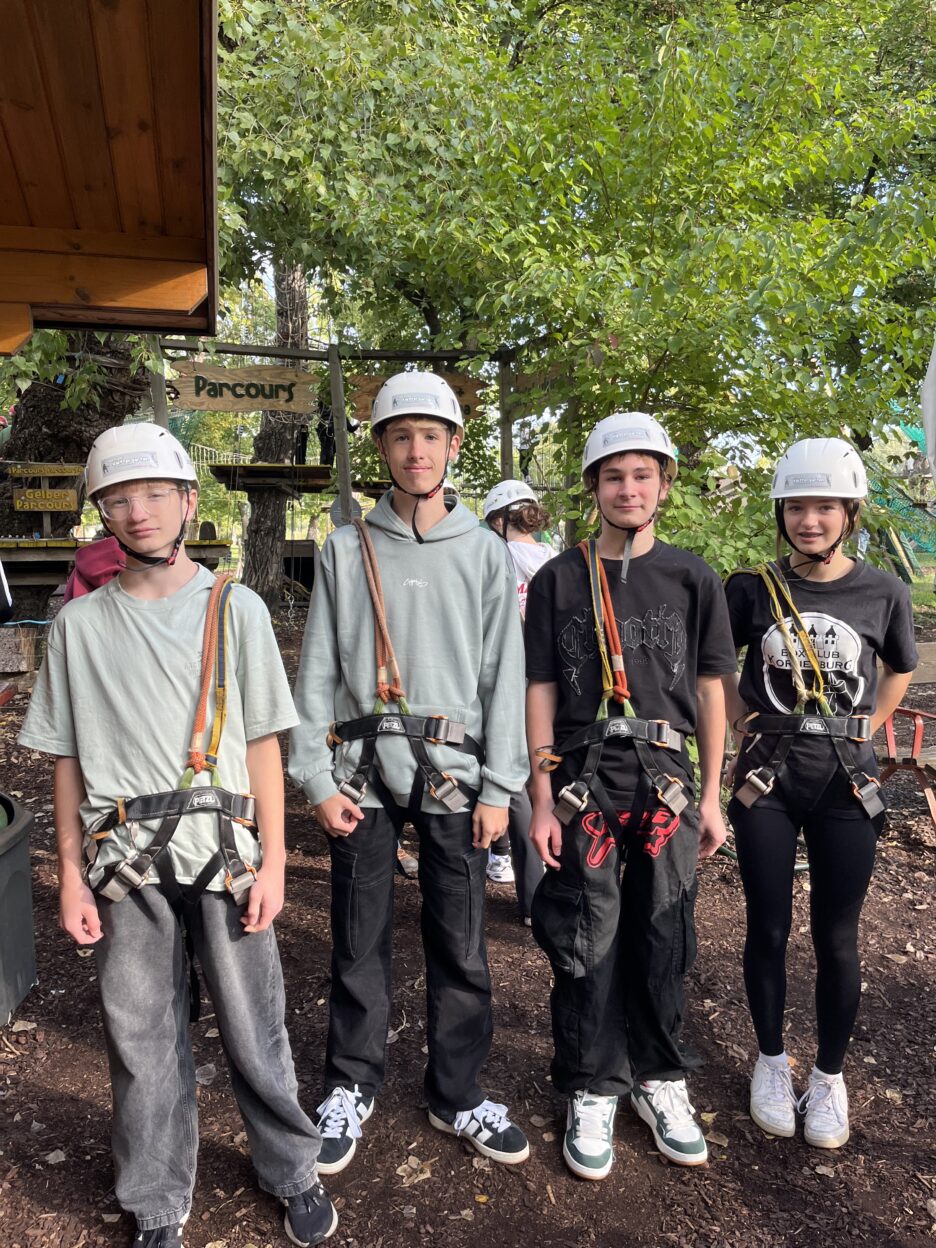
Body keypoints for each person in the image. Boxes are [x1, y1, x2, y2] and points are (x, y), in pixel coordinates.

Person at [17, 424, 336, 1248]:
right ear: (102, 513)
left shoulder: (237, 609)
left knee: (255, 1025)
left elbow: (262, 744)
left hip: (228, 855)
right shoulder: (79, 627)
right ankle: (156, 1198)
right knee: (140, 1037)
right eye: (119, 498)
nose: (139, 510)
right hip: (125, 860)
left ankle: (291, 1169)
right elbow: (68, 760)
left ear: (189, 501)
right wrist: (70, 874)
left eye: (155, 492)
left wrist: (274, 861)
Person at [289, 371, 530, 1176]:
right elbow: (318, 668)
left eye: (430, 436)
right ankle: (349, 1084)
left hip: (455, 775)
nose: (416, 450)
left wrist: (500, 787)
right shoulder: (344, 548)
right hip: (360, 773)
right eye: (401, 436)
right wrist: (314, 777)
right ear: (382, 449)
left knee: (460, 942)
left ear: (453, 446)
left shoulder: (485, 553)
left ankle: (456, 1092)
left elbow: (502, 675)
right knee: (357, 939)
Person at [524, 410, 736, 1179]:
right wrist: (541, 797)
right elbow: (541, 688)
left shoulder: (691, 577)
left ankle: (658, 1074)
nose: (628, 488)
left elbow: (711, 690)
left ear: (664, 485)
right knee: (585, 934)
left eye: (642, 475)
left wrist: (712, 795)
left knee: (664, 931)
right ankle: (591, 1081)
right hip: (584, 780)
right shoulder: (559, 578)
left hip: (665, 781)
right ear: (594, 487)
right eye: (613, 476)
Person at [723, 438, 916, 1150]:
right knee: (768, 927)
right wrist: (740, 717)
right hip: (767, 782)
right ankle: (772, 1062)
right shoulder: (752, 589)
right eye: (797, 507)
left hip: (844, 783)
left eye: (825, 507)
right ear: (781, 513)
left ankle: (829, 1076)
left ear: (849, 513)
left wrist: (866, 726)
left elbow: (898, 667)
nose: (809, 520)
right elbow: (716, 664)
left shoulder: (882, 592)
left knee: (837, 935)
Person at [481, 479, 554, 918]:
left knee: (506, 776)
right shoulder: (555, 559)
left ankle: (503, 859)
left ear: (498, 521)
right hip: (551, 686)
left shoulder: (496, 557)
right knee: (539, 777)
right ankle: (536, 895)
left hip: (509, 681)